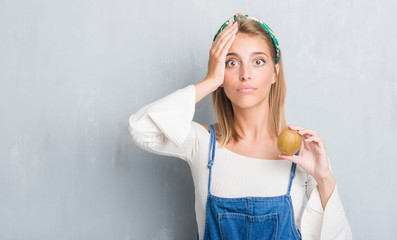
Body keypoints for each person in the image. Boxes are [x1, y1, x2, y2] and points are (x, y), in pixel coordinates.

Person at [128, 13, 352, 240]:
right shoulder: (202, 143)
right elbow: (140, 128)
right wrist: (211, 80)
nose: (245, 75)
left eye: (258, 61)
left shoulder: (302, 152)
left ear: (275, 73)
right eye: (231, 63)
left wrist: (323, 177)